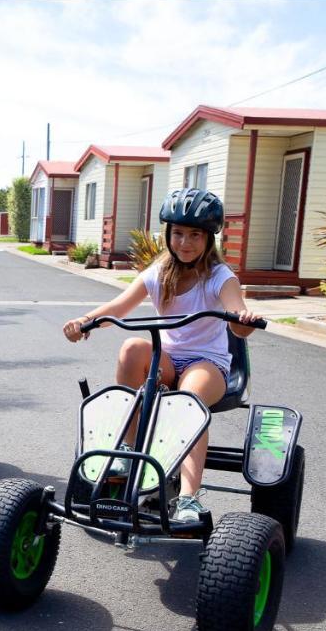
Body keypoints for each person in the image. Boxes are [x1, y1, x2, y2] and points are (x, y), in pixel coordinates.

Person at [62, 188, 261, 522]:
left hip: (207, 364)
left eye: (194, 235)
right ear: (168, 234)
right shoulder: (159, 273)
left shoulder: (220, 277)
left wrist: (244, 322)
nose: (185, 243)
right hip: (167, 361)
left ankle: (187, 498)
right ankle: (129, 448)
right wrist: (85, 322)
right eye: (178, 233)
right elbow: (118, 307)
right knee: (132, 349)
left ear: (208, 238)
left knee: (189, 397)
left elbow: (237, 317)